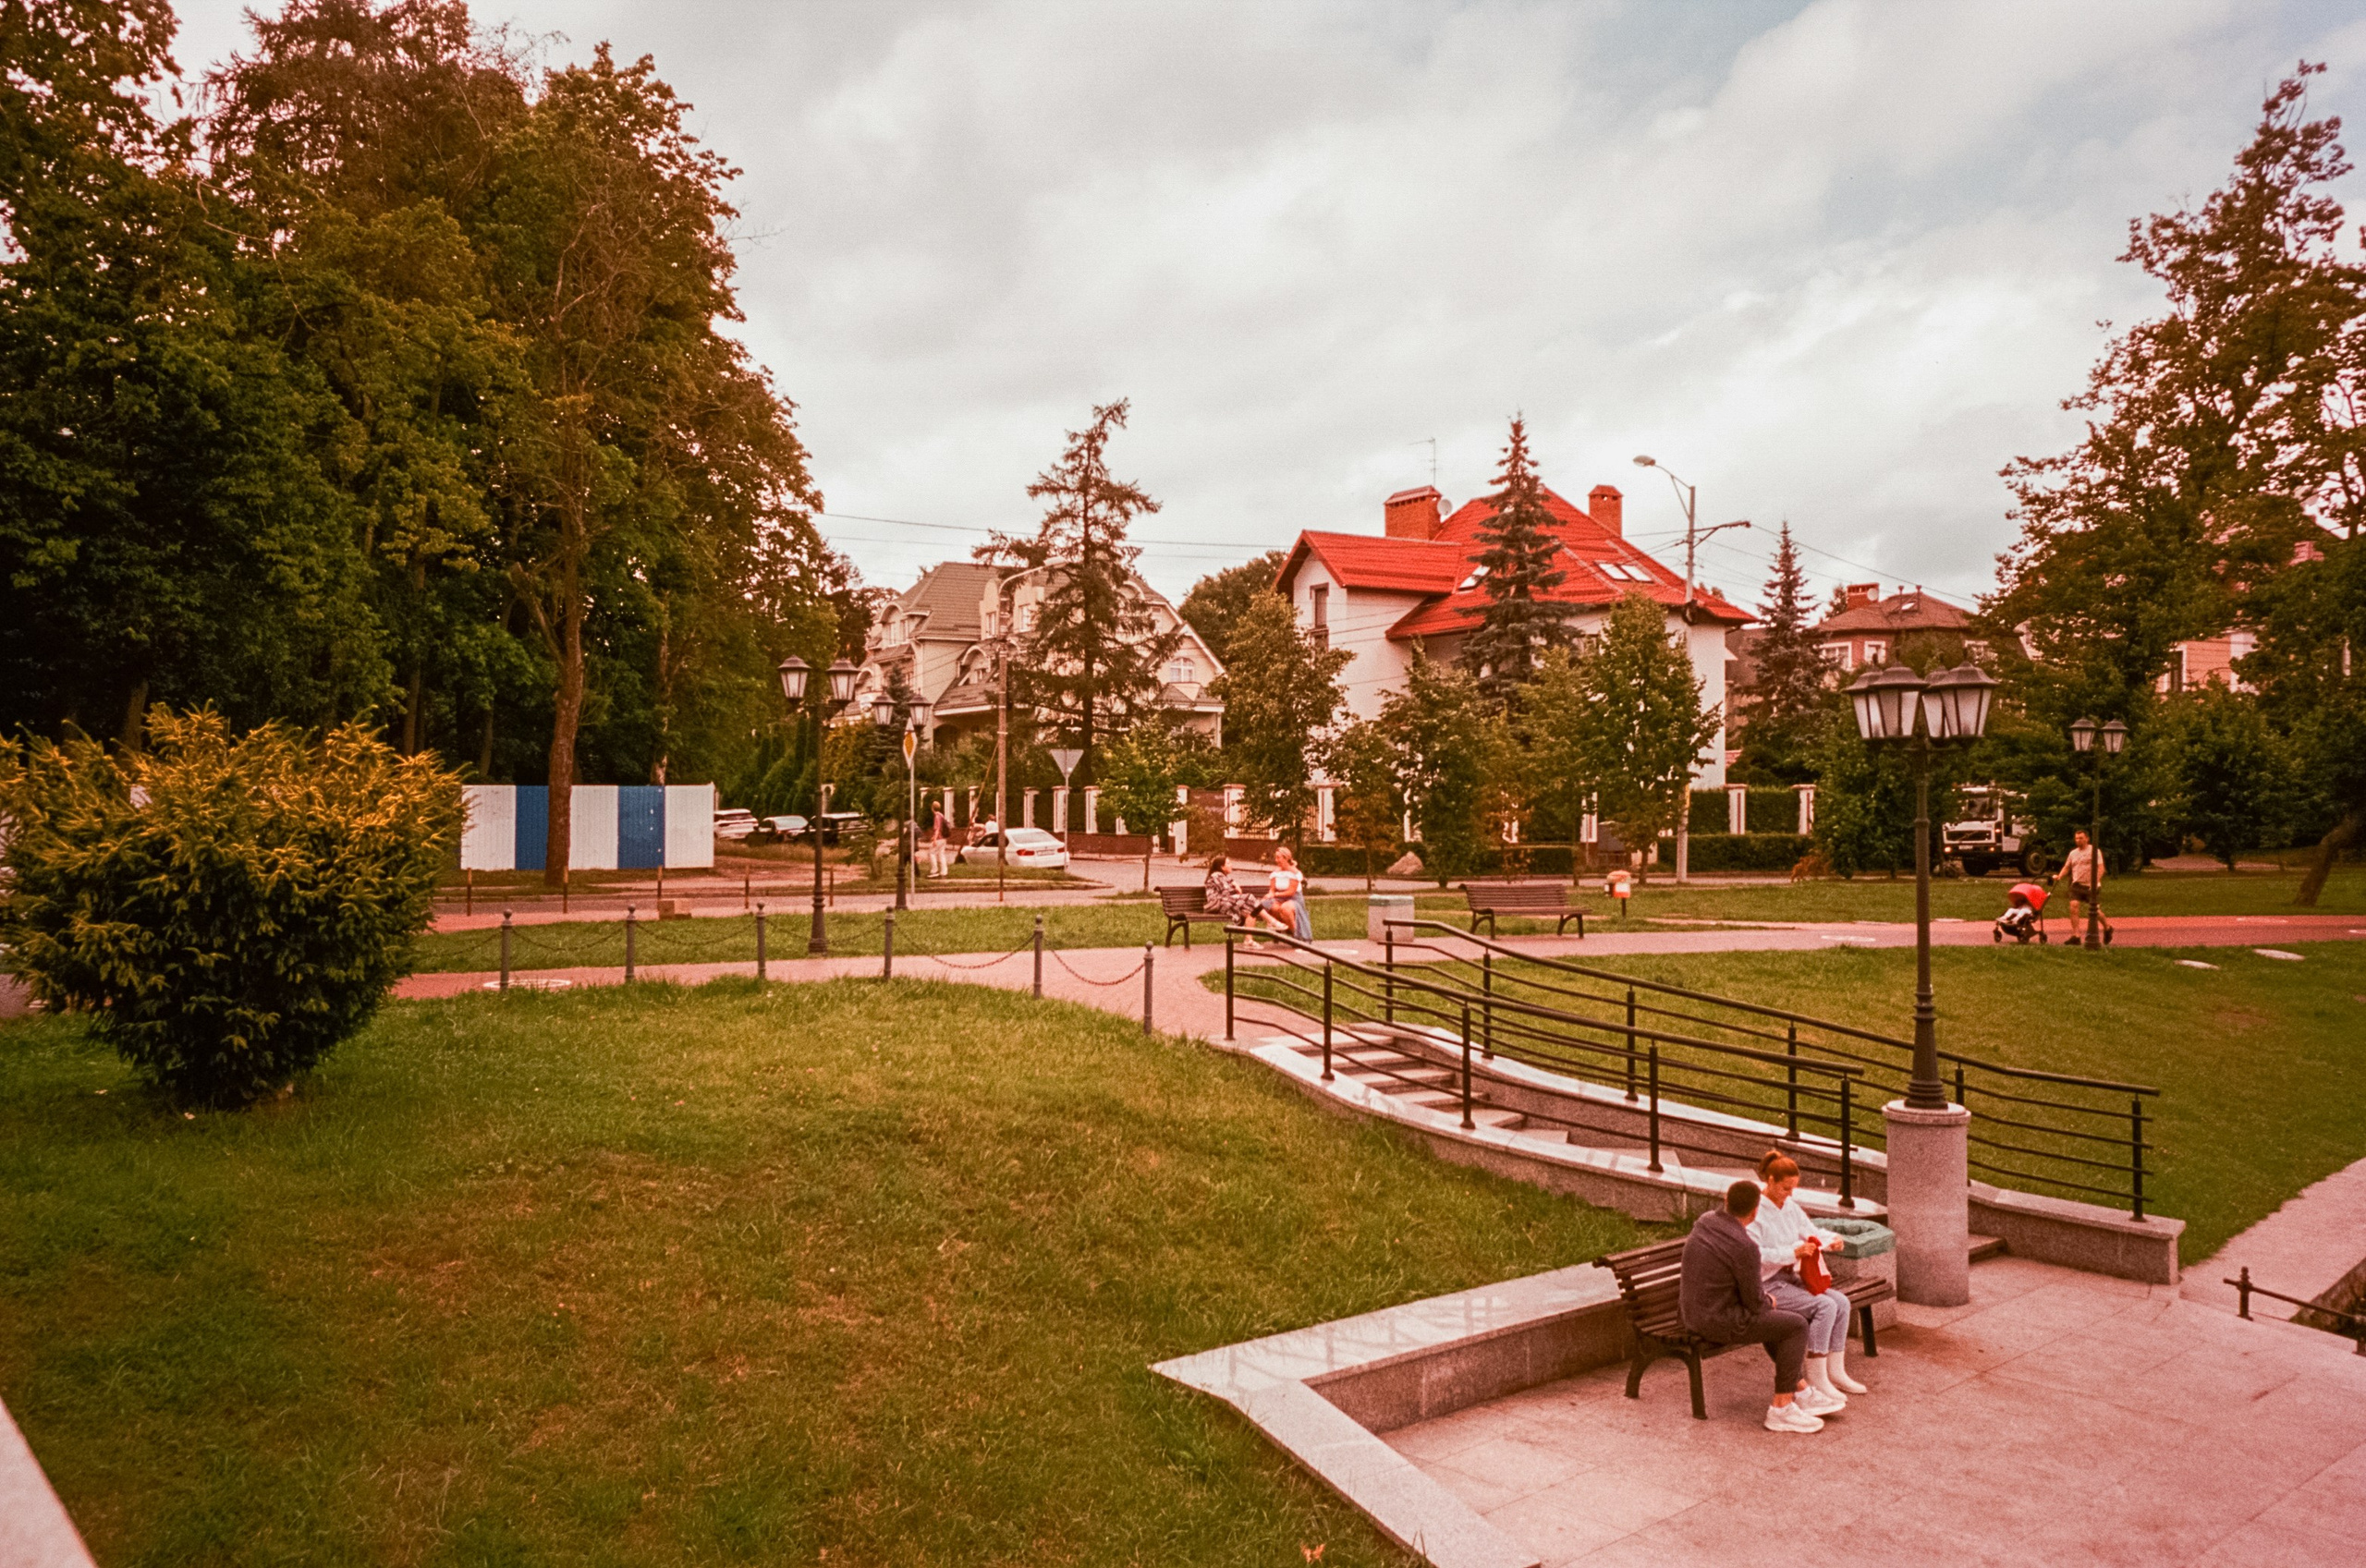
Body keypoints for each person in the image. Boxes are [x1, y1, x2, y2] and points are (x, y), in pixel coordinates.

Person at [1680, 1179, 1837, 1432]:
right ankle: (1781, 1408)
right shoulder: (1745, 1247)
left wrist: (1766, 1303)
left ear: (1726, 1202)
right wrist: (1768, 1301)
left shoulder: (1707, 1221)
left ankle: (1801, 1390)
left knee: (1776, 1321)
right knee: (1795, 1325)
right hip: (1718, 1321)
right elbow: (1755, 1303)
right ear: (1755, 1211)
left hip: (1693, 1313)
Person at [1750, 1151, 1865, 1406]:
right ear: (1770, 1181)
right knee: (1825, 1306)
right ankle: (1816, 1377)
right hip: (1767, 1282)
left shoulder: (1789, 1207)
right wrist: (1792, 1252)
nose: (1789, 1194)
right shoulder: (1756, 1212)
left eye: (1793, 1189)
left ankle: (1835, 1371)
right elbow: (1755, 1254)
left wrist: (1830, 1241)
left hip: (1790, 1277)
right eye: (1784, 1188)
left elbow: (1810, 1232)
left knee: (1842, 1303)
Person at [2051, 829, 2115, 946]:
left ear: (2087, 839)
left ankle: (2108, 927)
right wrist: (2059, 876)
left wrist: (2095, 883)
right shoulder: (2073, 853)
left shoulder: (2094, 851)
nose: (2078, 840)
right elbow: (2067, 867)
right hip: (2077, 885)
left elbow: (2101, 868)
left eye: (2081, 838)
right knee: (2073, 906)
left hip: (2091, 886)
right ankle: (2076, 936)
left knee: (2095, 911)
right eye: (2076, 838)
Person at [1202, 855, 1264, 941]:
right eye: (1228, 863)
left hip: (1227, 904)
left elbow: (1237, 893)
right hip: (1218, 906)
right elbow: (1227, 893)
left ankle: (1248, 941)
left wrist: (1234, 884)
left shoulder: (1224, 877)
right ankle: (1271, 921)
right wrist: (1234, 884)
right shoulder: (1216, 875)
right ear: (1222, 867)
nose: (1231, 865)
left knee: (1250, 913)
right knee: (1250, 896)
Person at [1264, 845, 1311, 942]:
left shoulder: (1294, 873)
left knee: (1285, 908)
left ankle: (1296, 935)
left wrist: (1275, 895)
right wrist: (1270, 894)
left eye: (1278, 857)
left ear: (1286, 858)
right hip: (1279, 899)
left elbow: (1291, 892)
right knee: (1273, 907)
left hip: (1294, 899)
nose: (1276, 860)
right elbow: (1272, 889)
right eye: (1276, 857)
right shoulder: (1276, 873)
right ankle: (1285, 929)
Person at [927, 804, 952, 878]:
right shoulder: (941, 815)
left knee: (931, 853)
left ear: (932, 808)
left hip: (939, 838)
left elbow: (938, 829)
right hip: (944, 838)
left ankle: (934, 871)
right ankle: (944, 872)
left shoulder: (937, 816)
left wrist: (934, 839)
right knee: (941, 854)